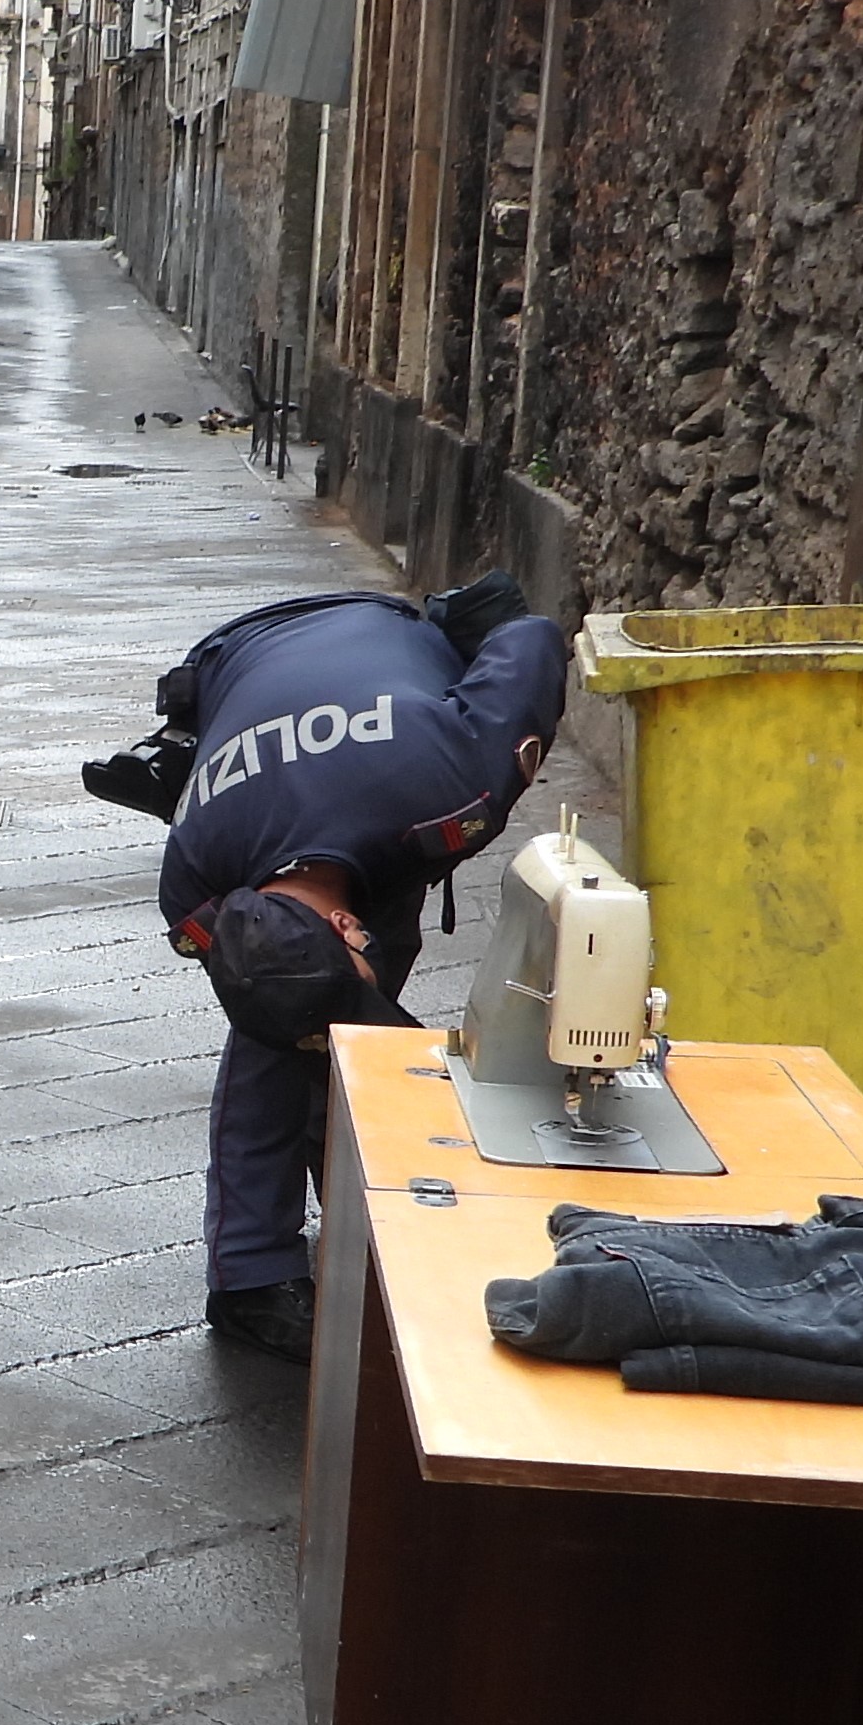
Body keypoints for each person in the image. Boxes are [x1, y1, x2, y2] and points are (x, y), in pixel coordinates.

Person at [108, 578, 571, 1361]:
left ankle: (325, 1206)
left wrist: (449, 634)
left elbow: (529, 638)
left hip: (368, 629)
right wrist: (304, 1002)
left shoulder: (458, 783)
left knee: (332, 1015)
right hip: (233, 669)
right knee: (281, 1021)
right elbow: (270, 989)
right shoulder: (192, 873)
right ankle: (257, 1275)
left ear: (350, 923)